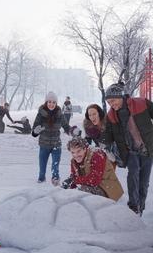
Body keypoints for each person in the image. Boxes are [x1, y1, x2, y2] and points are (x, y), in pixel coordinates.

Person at [102, 82, 153, 216]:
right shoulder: (111, 115)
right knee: (133, 176)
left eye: (113, 101)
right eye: (109, 102)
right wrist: (106, 147)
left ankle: (140, 207)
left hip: (147, 149)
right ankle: (133, 206)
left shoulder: (141, 103)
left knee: (144, 181)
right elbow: (107, 133)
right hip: (130, 151)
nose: (112, 104)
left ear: (120, 97)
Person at [64, 135, 124, 201]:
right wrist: (68, 187)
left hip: (107, 189)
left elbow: (94, 180)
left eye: (78, 151)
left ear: (85, 148)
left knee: (81, 192)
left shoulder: (97, 155)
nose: (76, 155)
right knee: (68, 192)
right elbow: (74, 177)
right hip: (90, 186)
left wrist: (75, 180)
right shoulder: (74, 161)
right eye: (73, 152)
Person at [32, 92, 64, 185]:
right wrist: (35, 131)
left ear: (56, 103)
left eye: (54, 102)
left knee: (55, 167)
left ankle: (55, 181)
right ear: (46, 102)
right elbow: (34, 130)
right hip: (44, 145)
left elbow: (66, 126)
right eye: (49, 102)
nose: (51, 104)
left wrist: (73, 131)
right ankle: (41, 181)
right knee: (42, 168)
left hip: (56, 145)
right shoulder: (41, 114)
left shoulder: (59, 114)